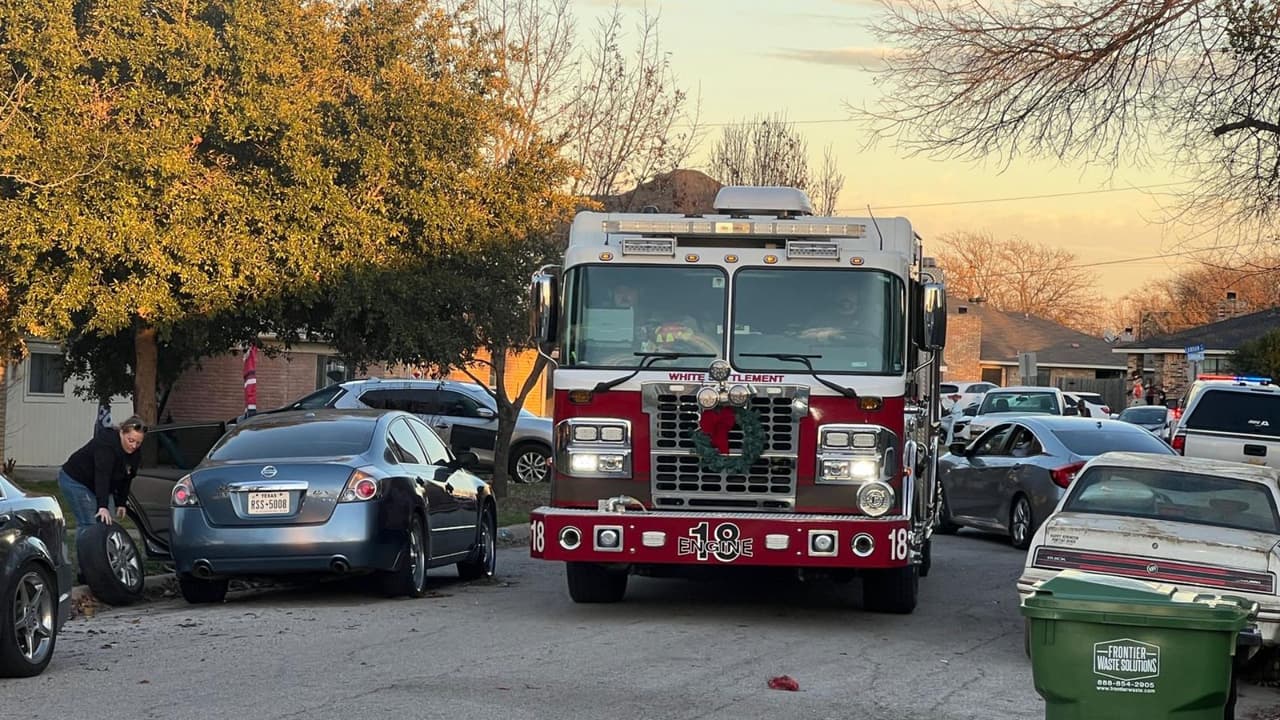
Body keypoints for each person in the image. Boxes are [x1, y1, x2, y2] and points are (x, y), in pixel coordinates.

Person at [58, 416, 147, 545]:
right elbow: (102, 475)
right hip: (76, 481)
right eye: (131, 440)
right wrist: (102, 506)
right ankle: (87, 561)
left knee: (110, 523)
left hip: (98, 484)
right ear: (122, 432)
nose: (134, 446)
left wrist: (121, 502)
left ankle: (105, 557)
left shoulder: (135, 453)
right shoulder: (106, 444)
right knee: (89, 523)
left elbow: (127, 477)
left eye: (138, 443)